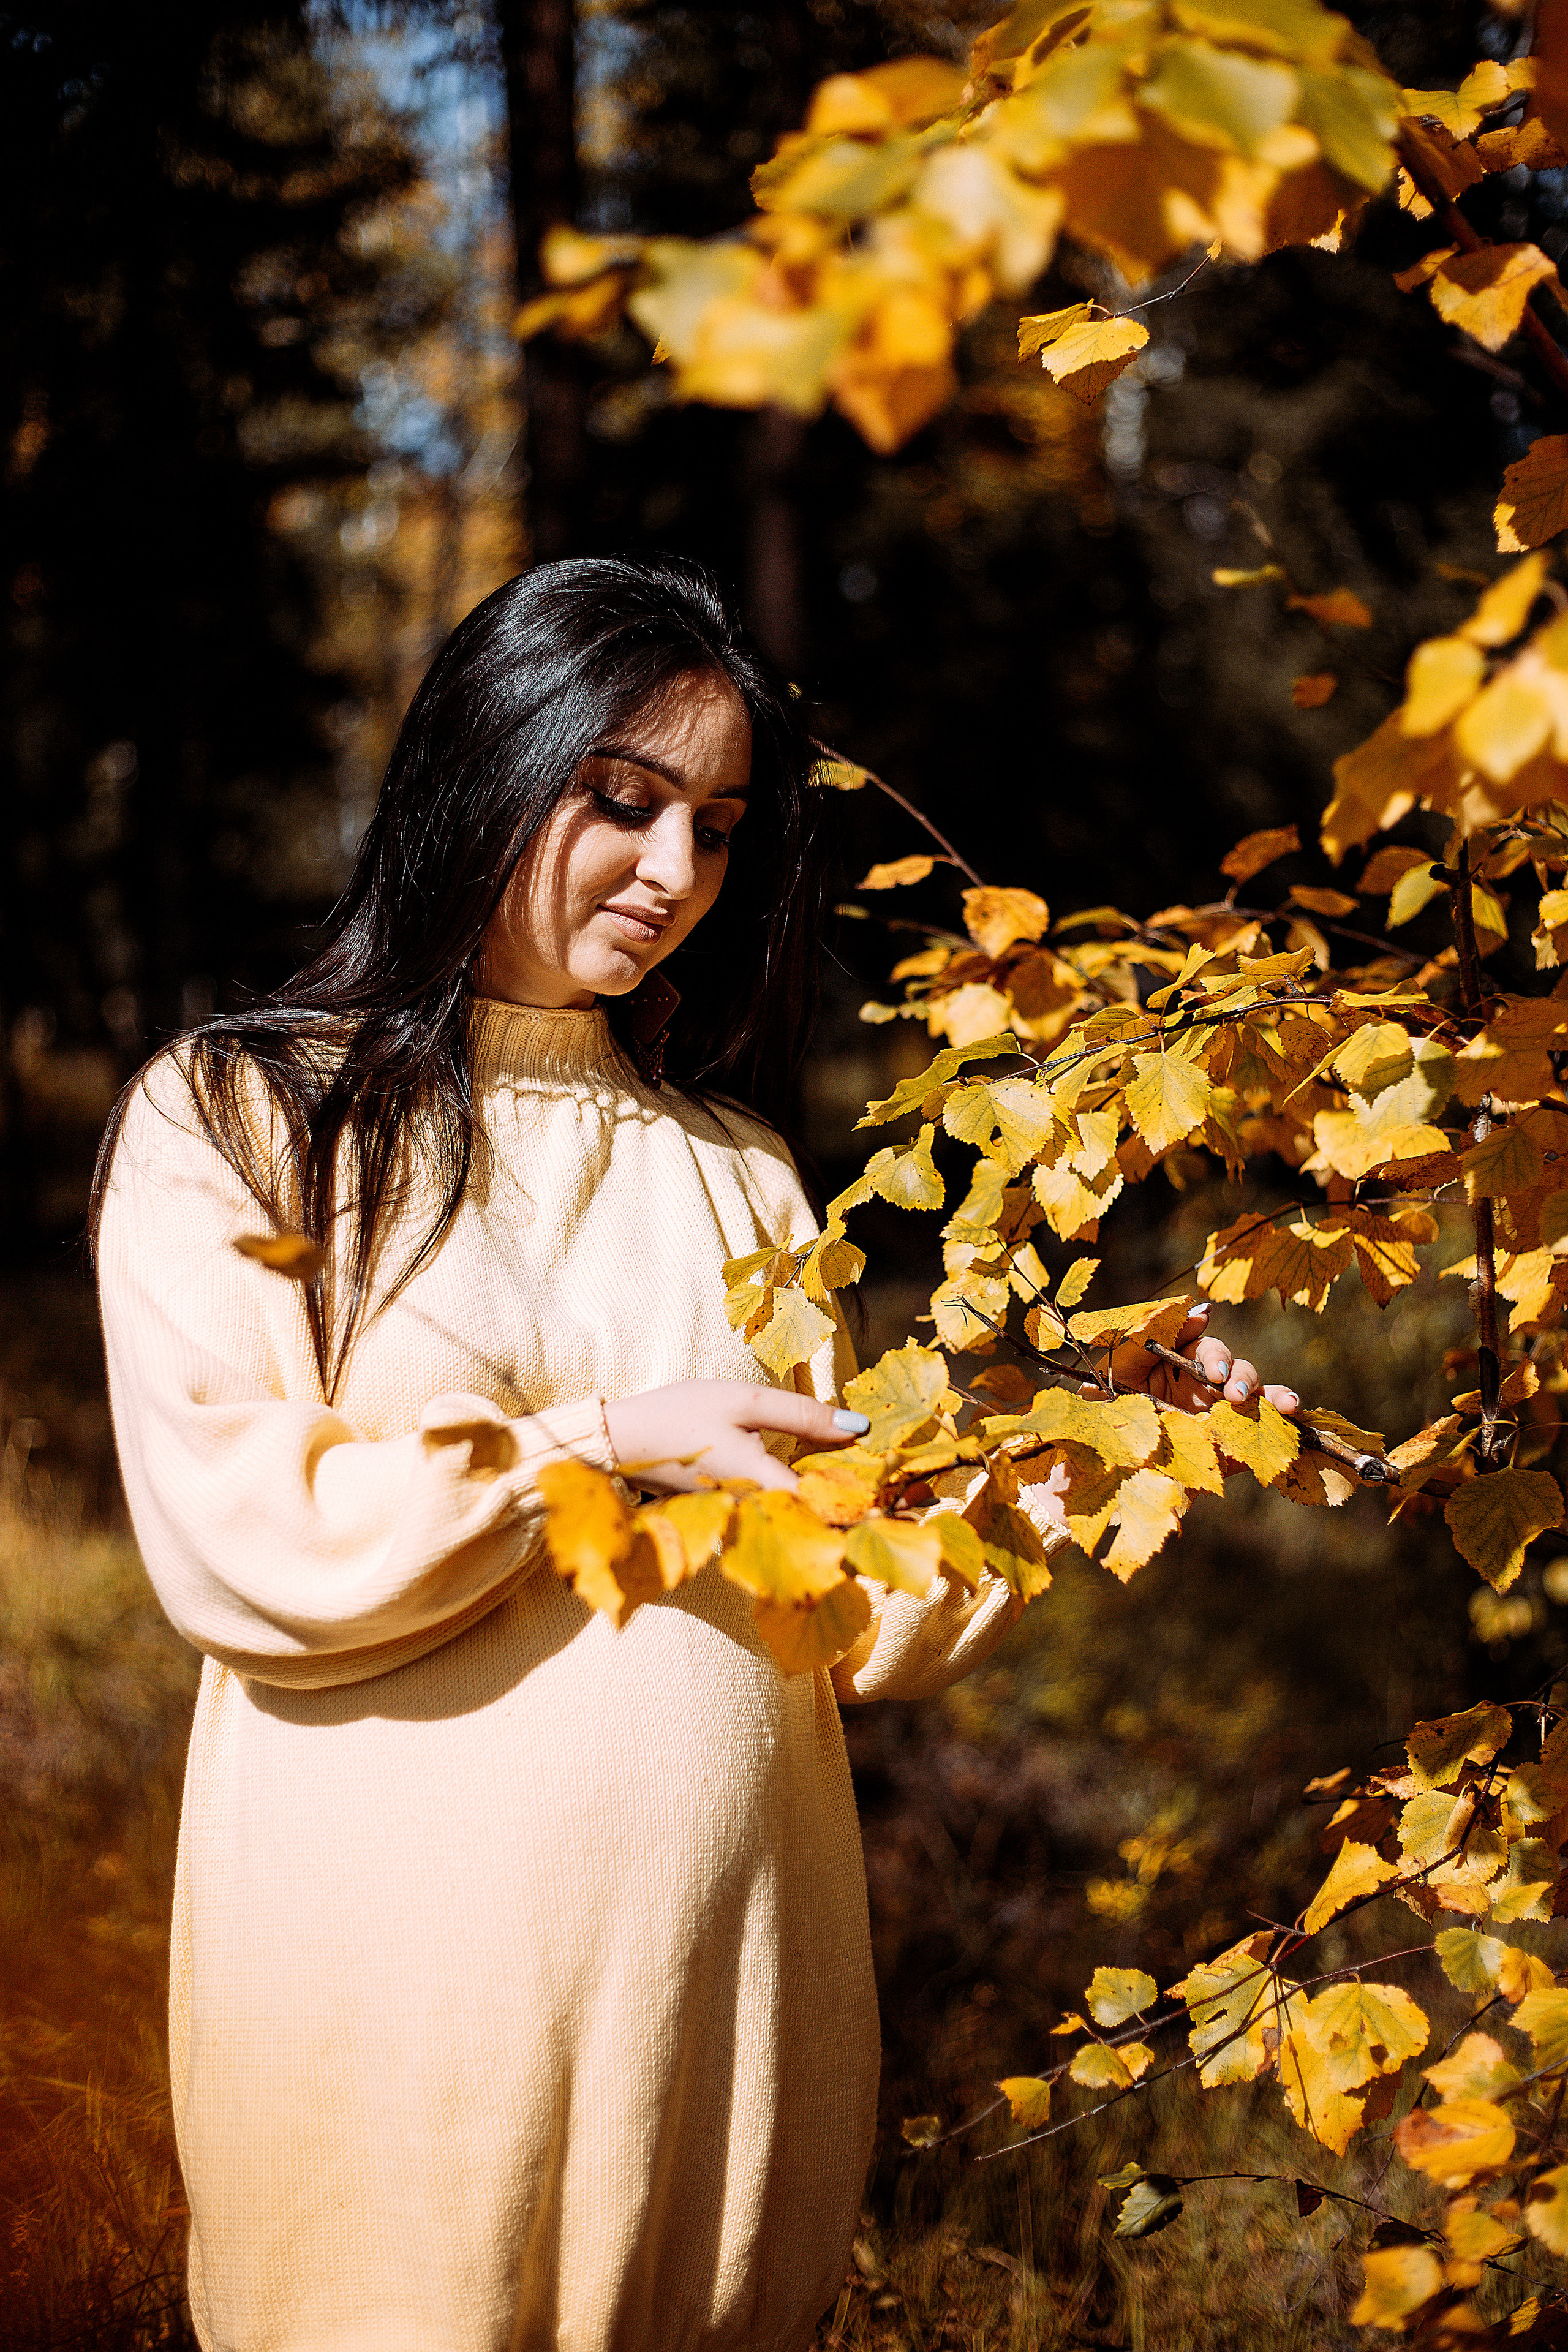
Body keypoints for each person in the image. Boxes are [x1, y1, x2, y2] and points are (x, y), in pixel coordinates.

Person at [91, 557, 1295, 2352]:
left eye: (719, 829)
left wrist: (1105, 1454)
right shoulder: (249, 1116)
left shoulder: (736, 1170)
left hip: (730, 2026)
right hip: (392, 2023)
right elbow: (242, 1541)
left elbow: (853, 1603)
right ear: (486, 766)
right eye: (623, 802)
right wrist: (603, 1442)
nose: (674, 877)